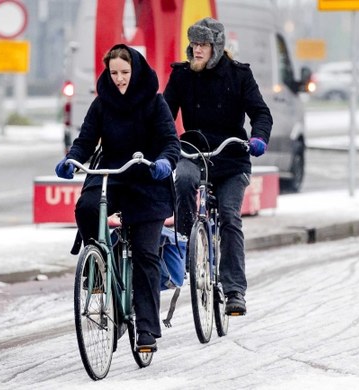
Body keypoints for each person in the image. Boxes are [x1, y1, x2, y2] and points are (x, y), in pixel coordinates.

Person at [55, 44, 180, 350]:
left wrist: (164, 162)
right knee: (85, 207)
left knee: (145, 254)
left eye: (125, 72)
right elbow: (85, 140)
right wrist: (72, 159)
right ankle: (97, 265)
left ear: (136, 71)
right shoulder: (102, 104)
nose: (120, 79)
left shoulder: (155, 102)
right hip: (111, 176)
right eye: (114, 73)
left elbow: (170, 142)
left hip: (148, 179)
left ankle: (147, 330)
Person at [164, 17, 273, 316]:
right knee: (183, 181)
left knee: (229, 217)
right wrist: (159, 143)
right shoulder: (182, 76)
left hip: (231, 157)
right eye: (193, 44)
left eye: (202, 45)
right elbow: (163, 115)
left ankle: (235, 289)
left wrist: (259, 138)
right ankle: (189, 243)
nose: (196, 50)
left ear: (217, 47)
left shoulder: (239, 76)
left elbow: (261, 113)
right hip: (194, 152)